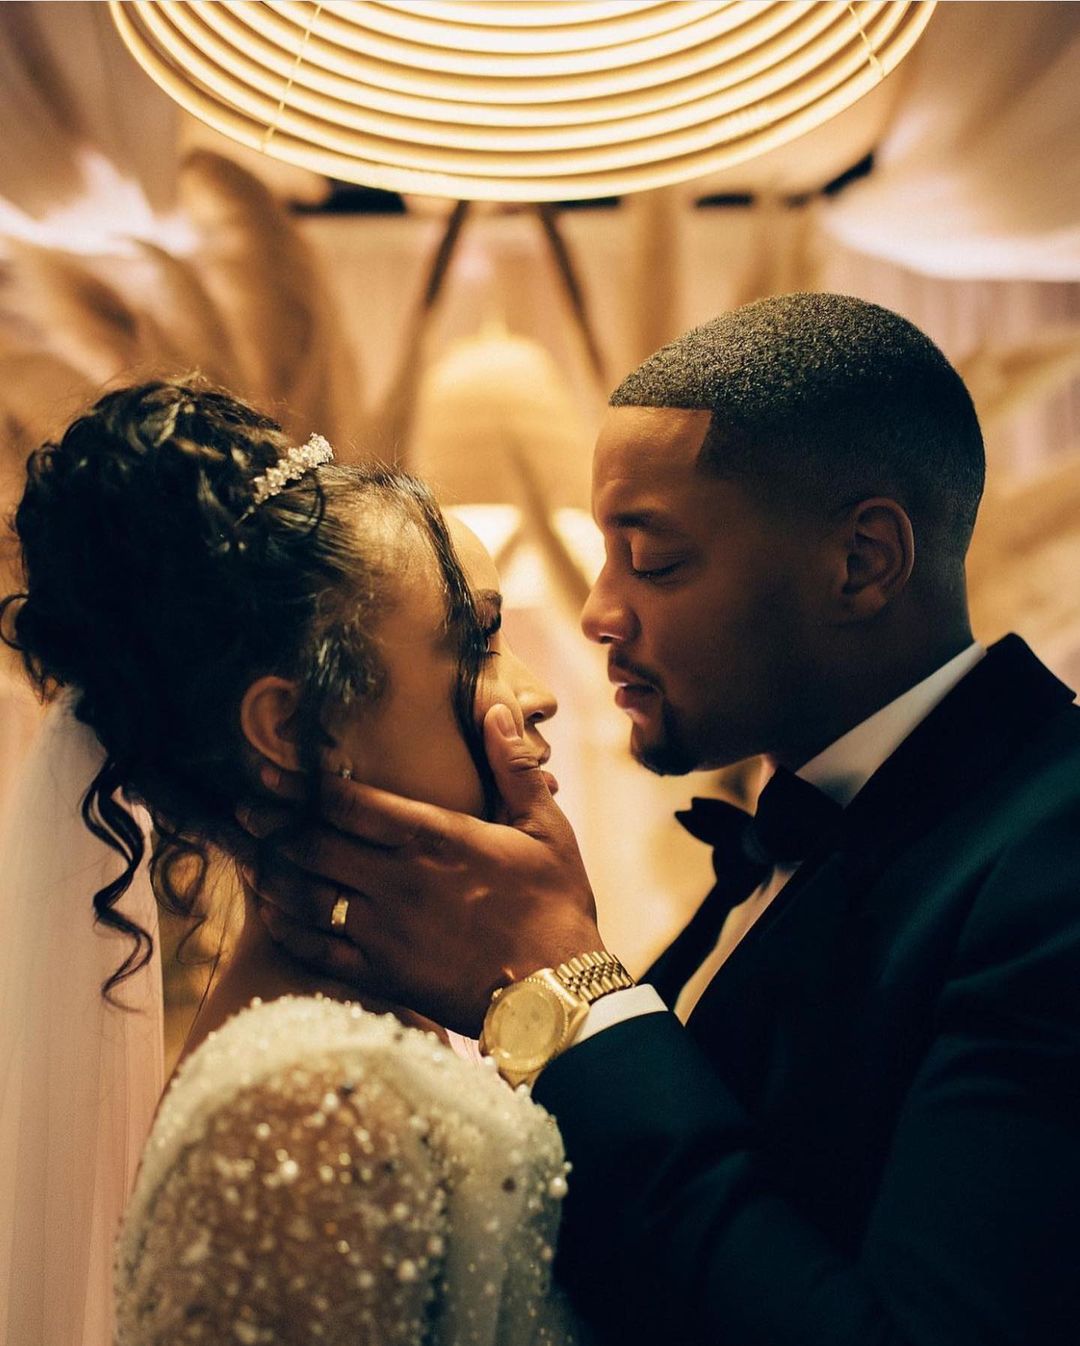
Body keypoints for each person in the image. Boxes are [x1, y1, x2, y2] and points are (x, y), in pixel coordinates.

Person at [241, 293, 1080, 1346]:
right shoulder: (802, 835)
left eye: (656, 561)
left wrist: (570, 990)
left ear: (861, 561)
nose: (598, 612)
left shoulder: (1052, 859)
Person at [0, 378, 583, 1346]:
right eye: (476, 642)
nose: (535, 693)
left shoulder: (378, 1031)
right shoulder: (306, 1119)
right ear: (294, 727)